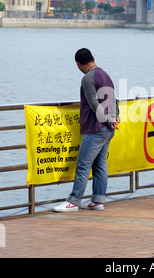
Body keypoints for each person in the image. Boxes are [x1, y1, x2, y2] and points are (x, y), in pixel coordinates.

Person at [54, 48, 119, 212]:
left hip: (95, 128)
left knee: (83, 165)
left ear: (78, 64)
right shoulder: (105, 74)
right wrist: (115, 118)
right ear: (93, 58)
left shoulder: (87, 78)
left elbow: (93, 103)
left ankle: (74, 201)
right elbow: (113, 100)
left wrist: (108, 120)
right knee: (100, 164)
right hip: (109, 128)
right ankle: (98, 200)